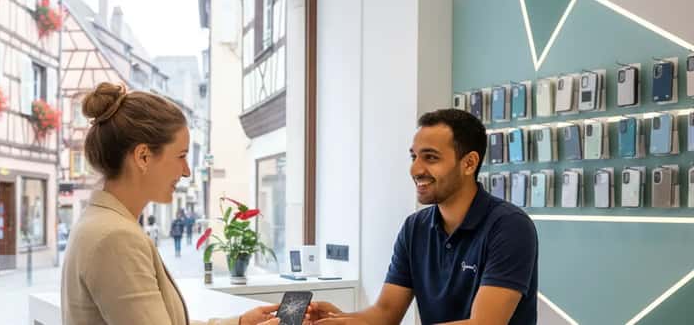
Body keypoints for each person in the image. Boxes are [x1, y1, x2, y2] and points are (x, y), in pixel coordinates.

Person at [61, 82, 279, 325]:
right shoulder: (115, 237)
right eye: (181, 156)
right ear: (143, 156)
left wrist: (238, 324)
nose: (186, 171)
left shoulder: (100, 223)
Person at [309, 109, 538, 324]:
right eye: (414, 157)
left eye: (430, 158)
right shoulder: (415, 227)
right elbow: (385, 312)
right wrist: (339, 319)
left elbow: (484, 323)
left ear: (469, 163)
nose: (415, 170)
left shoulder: (510, 226)